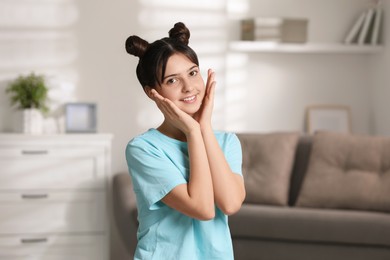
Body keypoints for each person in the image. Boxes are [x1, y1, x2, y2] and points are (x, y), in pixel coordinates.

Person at [125, 22, 246, 260]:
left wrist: (204, 130)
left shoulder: (227, 142)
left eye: (192, 73)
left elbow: (230, 204)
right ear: (153, 93)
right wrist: (192, 132)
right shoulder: (143, 149)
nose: (189, 87)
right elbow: (202, 208)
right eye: (172, 80)